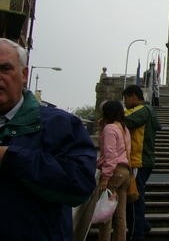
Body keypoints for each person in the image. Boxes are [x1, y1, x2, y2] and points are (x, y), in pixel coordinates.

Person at [0, 38, 96, 240]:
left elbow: (80, 184)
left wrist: (10, 157)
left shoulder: (61, 125)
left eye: (5, 69)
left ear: (24, 74)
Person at [123, 84, 162, 241]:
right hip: (143, 160)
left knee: (134, 199)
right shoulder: (148, 111)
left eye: (126, 98)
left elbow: (128, 122)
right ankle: (143, 225)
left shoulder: (143, 110)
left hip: (139, 161)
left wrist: (110, 116)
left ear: (134, 96)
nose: (124, 102)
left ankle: (137, 234)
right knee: (136, 197)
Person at [97, 100, 132, 241]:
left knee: (106, 214)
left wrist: (105, 177)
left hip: (115, 173)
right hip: (126, 173)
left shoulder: (110, 129)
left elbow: (110, 154)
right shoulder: (124, 128)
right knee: (120, 215)